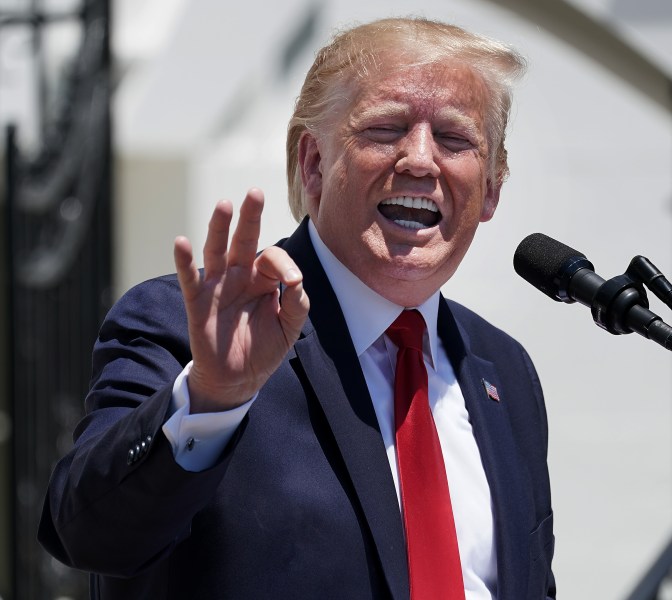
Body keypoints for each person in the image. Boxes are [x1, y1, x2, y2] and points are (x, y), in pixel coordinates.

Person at [39, 17, 555, 599]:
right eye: (385, 129)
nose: (419, 160)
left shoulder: (504, 371)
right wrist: (210, 399)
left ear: (490, 189)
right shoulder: (191, 328)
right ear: (313, 163)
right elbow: (89, 536)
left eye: (455, 139)